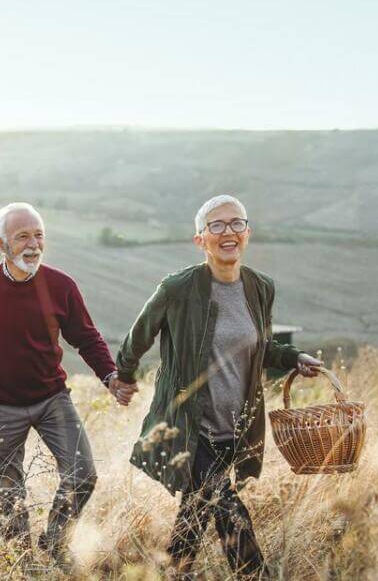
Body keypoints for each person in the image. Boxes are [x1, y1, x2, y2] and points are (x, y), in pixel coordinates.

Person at [113, 195, 324, 579]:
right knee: (228, 510)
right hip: (190, 426)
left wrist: (294, 358)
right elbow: (136, 338)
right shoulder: (178, 288)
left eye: (236, 223)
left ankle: (174, 571)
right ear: (200, 240)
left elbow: (260, 345)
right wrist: (123, 377)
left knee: (196, 508)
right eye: (216, 225)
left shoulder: (260, 287)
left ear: (247, 233)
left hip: (235, 428)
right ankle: (254, 575)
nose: (228, 232)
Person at [0, 202, 130, 567]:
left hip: (51, 398)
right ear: (1, 244)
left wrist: (110, 377)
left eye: (39, 235)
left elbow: (86, 337)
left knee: (83, 474)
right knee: (10, 496)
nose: (33, 244)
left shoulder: (61, 286)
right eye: (22, 236)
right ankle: (23, 564)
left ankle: (56, 539)